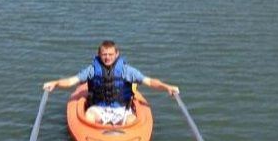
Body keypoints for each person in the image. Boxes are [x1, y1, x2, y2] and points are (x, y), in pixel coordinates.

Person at [43, 40, 179, 125]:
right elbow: (72, 81)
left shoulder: (127, 70)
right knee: (89, 116)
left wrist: (167, 87)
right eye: (104, 54)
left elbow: (149, 81)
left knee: (132, 121)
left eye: (110, 54)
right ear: (99, 54)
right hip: (99, 109)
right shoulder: (91, 70)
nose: (107, 57)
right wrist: (55, 83)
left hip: (121, 109)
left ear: (117, 54)